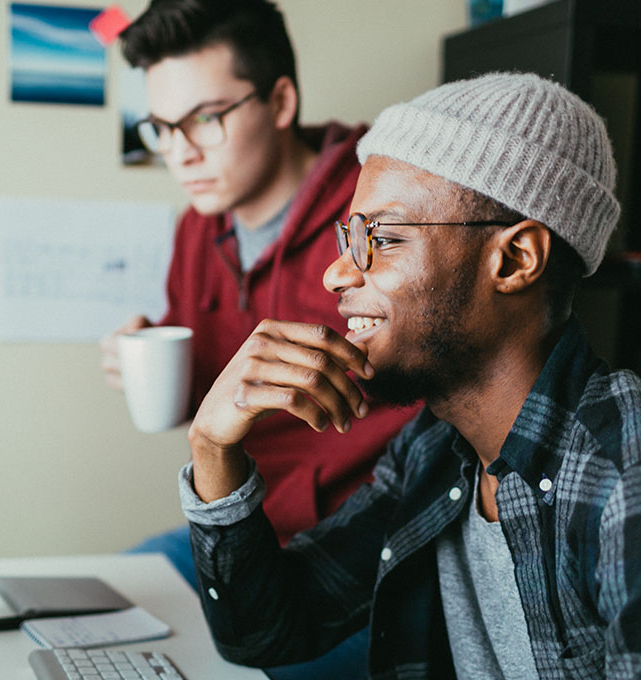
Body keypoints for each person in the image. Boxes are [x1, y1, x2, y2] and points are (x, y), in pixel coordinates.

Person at [179, 72, 641, 678]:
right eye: (350, 238)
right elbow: (264, 632)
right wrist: (213, 449)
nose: (338, 275)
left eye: (383, 239)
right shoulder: (434, 452)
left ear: (514, 259)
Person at [102, 0, 420, 589]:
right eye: (162, 128)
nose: (180, 153)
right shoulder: (199, 227)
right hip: (245, 524)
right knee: (102, 602)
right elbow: (216, 389)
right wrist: (152, 363)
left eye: (204, 119)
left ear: (279, 102)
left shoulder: (377, 208)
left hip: (363, 541)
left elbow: (438, 385)